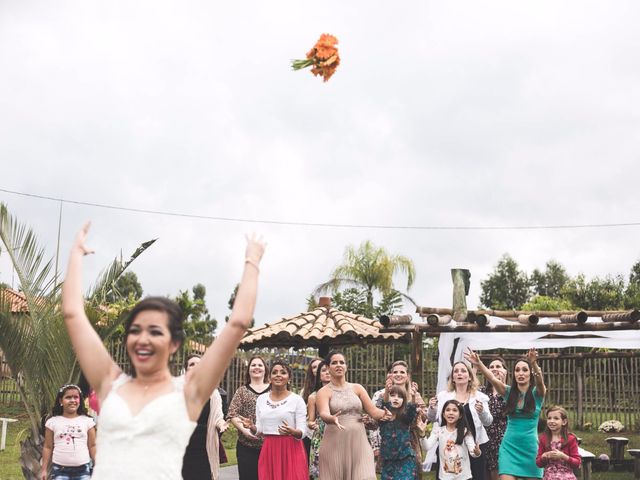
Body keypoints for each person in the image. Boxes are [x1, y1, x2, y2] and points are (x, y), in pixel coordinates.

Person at [61, 223, 264, 479]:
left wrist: (252, 261)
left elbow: (237, 324)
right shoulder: (109, 383)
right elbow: (72, 314)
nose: (142, 339)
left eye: (155, 332)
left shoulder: (189, 392)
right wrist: (75, 255)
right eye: (135, 330)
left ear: (174, 343)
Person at [466, 347, 546, 480]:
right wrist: (479, 364)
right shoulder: (508, 392)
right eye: (517, 370)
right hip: (509, 447)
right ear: (513, 374)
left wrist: (533, 363)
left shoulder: (538, 393)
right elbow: (491, 378)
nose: (520, 373)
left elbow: (540, 381)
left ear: (530, 373)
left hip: (530, 448)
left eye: (524, 370)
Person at [316, 351, 392, 480]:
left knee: (365, 475)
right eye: (334, 363)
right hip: (335, 443)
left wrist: (387, 414)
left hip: (359, 441)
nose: (338, 365)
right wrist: (331, 418)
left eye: (342, 362)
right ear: (328, 368)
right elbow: (323, 413)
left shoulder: (357, 388)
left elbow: (373, 411)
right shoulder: (324, 392)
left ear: (346, 366)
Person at [240, 359, 308, 480]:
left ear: (289, 378)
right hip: (269, 449)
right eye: (274, 372)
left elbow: (303, 431)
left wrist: (293, 432)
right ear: (269, 377)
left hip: (291, 449)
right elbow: (260, 429)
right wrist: (252, 427)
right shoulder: (261, 399)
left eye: (283, 372)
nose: (278, 375)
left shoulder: (297, 400)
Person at [426, 361, 492, 480]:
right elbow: (432, 418)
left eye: (463, 371)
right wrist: (431, 408)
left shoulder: (480, 397)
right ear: (452, 378)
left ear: (470, 376)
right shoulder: (443, 396)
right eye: (456, 371)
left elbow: (488, 422)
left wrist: (482, 412)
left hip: (475, 445)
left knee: (476, 476)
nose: (459, 373)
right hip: (450, 445)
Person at [369, 360, 426, 475]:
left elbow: (423, 419)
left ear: (407, 376)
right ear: (391, 374)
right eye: (395, 372)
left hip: (410, 443)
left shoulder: (415, 394)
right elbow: (375, 421)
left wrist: (419, 412)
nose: (398, 374)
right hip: (389, 443)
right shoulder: (382, 395)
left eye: (402, 372)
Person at [182, 355, 228, 480]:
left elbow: (218, 415)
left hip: (203, 446)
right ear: (186, 370)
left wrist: (221, 423)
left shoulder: (213, 393)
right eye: (192, 364)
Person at [227, 356, 270, 480]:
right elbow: (232, 414)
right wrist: (244, 431)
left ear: (265, 369)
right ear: (249, 370)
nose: (256, 367)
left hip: (270, 446)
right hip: (246, 446)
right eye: (253, 365)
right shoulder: (241, 391)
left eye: (260, 365)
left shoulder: (274, 390)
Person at [41, 384, 96, 480]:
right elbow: (47, 447)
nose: (72, 400)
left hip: (83, 469)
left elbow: (92, 446)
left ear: (80, 401)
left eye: (76, 397)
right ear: (61, 401)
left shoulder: (87, 421)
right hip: (59, 469)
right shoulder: (52, 422)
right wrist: (44, 469)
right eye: (68, 397)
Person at [421, 399, 481, 480]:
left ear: (460, 415)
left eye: (455, 410)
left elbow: (473, 451)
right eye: (448, 410)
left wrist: (477, 452)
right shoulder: (438, 430)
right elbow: (426, 447)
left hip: (463, 477)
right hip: (445, 477)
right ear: (443, 414)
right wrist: (422, 434)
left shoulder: (465, 432)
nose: (451, 413)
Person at [377, 384, 420, 480]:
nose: (396, 398)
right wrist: (387, 392)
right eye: (393, 395)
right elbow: (385, 404)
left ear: (404, 401)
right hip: (388, 460)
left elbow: (411, 411)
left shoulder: (405, 418)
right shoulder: (383, 418)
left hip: (405, 458)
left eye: (400, 397)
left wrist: (413, 396)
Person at [479, 357, 508, 480]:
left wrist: (503, 382)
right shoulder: (481, 391)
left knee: (503, 471)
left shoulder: (511, 391)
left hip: (504, 437)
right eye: (491, 367)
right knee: (488, 473)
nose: (495, 369)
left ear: (505, 371)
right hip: (485, 437)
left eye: (498, 366)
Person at [536, 406, 580, 480]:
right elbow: (538, 464)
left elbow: (577, 463)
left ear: (564, 422)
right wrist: (543, 457)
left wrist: (563, 456)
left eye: (556, 418)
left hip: (566, 476)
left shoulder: (570, 439)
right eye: (549, 418)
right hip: (549, 477)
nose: (551, 421)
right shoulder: (543, 438)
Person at [307, 360, 331, 480]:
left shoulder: (342, 393)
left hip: (339, 435)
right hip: (320, 437)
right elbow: (310, 420)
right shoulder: (313, 397)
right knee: (319, 474)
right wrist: (312, 425)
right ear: (319, 375)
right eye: (323, 370)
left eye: (329, 369)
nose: (327, 372)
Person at [301, 357, 323, 460]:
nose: (317, 368)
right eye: (314, 367)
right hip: (309, 434)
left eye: (320, 366)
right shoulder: (305, 392)